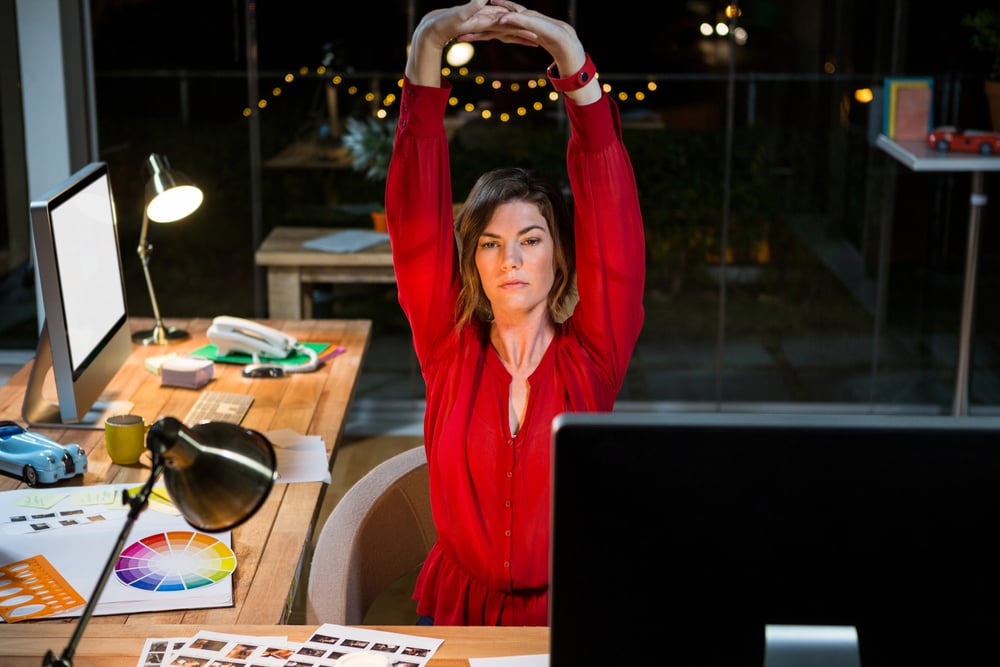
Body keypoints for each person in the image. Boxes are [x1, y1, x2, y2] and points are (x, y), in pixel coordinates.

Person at [384, 0, 645, 626]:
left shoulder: (593, 357)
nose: (512, 260)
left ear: (559, 255)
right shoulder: (448, 347)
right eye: (491, 244)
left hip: (566, 615)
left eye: (531, 239)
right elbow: (415, 223)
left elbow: (614, 218)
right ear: (472, 261)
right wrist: (427, 44)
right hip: (458, 606)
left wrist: (572, 60)